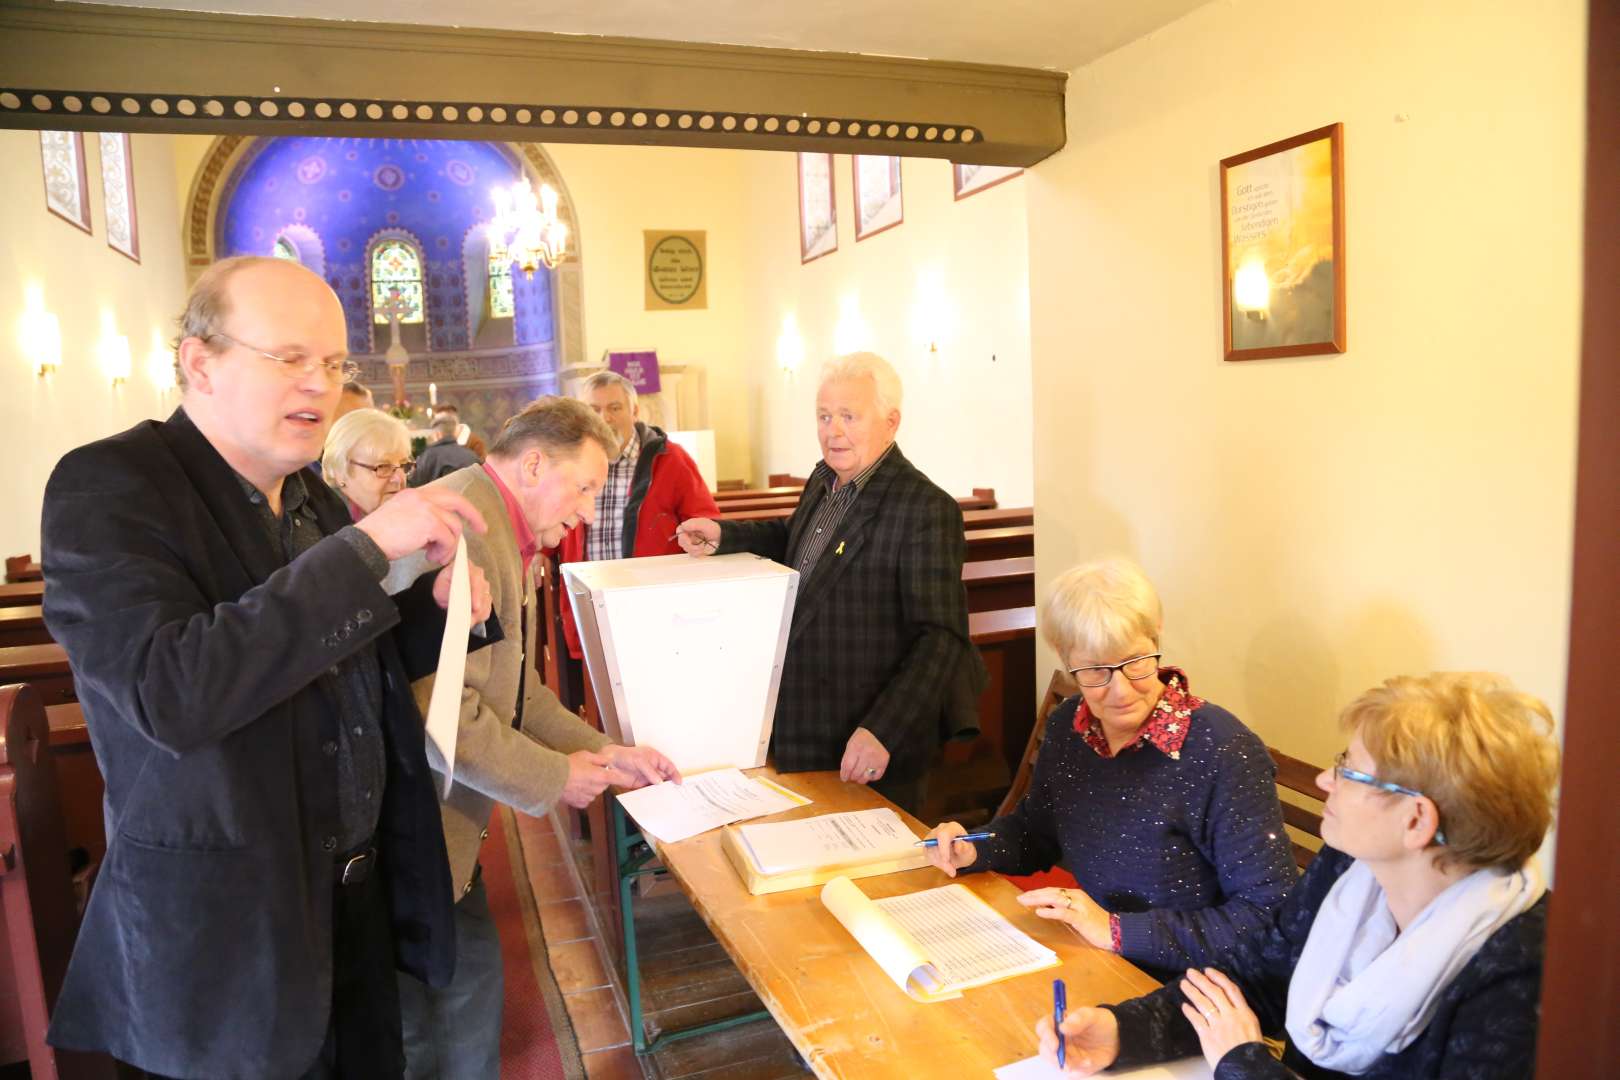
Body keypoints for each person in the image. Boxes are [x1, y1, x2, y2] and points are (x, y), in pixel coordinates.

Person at [40, 255, 495, 1079]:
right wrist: (364, 550)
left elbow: (344, 670)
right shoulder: (110, 486)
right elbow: (170, 692)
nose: (319, 385)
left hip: (350, 907)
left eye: (331, 364)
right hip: (228, 941)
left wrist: (438, 608)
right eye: (289, 358)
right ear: (199, 362)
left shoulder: (310, 498)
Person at [1037, 672, 1559, 1079]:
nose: (1324, 780)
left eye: (1349, 771)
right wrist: (1120, 1031)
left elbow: (1242, 1038)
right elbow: (1257, 976)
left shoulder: (1524, 974)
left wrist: (1244, 1063)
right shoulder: (1351, 869)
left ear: (1416, 820)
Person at [396, 396, 681, 1078]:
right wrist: (558, 778)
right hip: (409, 829)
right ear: (531, 464)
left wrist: (605, 749)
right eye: (582, 487)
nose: (586, 512)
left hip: (442, 833)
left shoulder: (501, 524)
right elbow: (442, 719)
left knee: (465, 998)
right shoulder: (463, 527)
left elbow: (518, 691)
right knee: (435, 1019)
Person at [922, 558, 1295, 979]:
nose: (1120, 691)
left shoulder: (1221, 751)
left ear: (1155, 640)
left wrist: (1117, 931)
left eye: (1136, 662)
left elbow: (1269, 918)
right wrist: (975, 845)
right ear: (1067, 662)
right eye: (1096, 671)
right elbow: (1035, 832)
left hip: (1196, 985)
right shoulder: (1069, 728)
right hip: (1099, 955)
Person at [677, 352, 983, 813]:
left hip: (866, 737)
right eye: (823, 416)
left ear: (891, 422)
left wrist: (883, 729)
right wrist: (726, 534)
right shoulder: (825, 480)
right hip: (808, 724)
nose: (832, 430)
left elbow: (939, 639)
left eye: (848, 416)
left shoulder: (925, 508)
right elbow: (795, 540)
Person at [554, 369, 719, 665]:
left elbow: (705, 518)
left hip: (651, 603)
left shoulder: (670, 459)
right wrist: (541, 552)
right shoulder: (570, 462)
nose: (604, 418)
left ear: (634, 410)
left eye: (615, 408)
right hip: (588, 597)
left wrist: (695, 537)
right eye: (594, 410)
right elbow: (551, 514)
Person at [323, 408, 415, 519]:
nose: (399, 479)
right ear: (340, 473)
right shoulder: (323, 528)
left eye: (404, 465)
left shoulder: (411, 514)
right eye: (383, 467)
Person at [410, 413, 480, 486]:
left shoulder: (429, 456)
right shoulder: (472, 456)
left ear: (437, 434)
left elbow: (416, 486)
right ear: (455, 433)